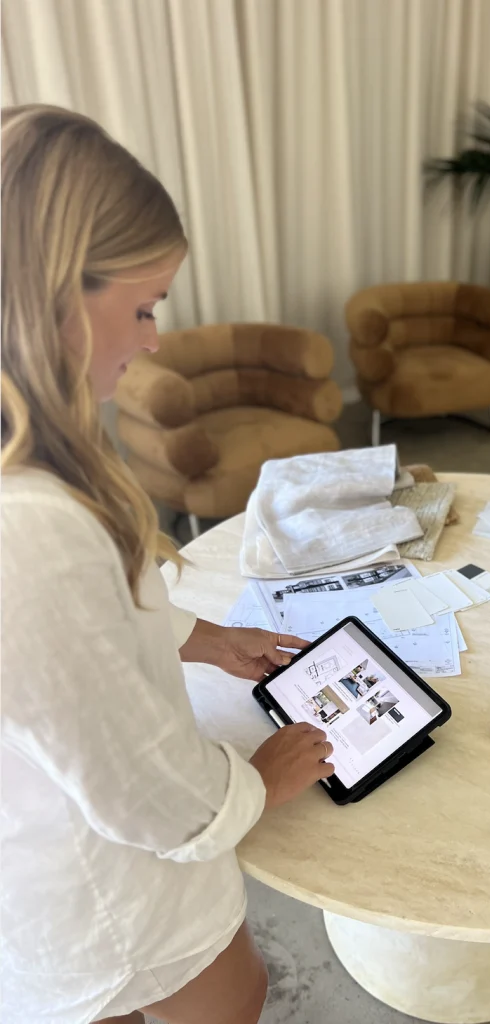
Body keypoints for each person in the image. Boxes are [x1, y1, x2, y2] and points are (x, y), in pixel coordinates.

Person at [0, 105, 335, 1024]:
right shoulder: (26, 529)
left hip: (55, 860)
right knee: (234, 996)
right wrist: (259, 780)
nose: (152, 340)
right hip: (96, 891)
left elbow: (66, 641)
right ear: (51, 294)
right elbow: (143, 789)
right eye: (144, 307)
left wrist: (201, 638)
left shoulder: (34, 466)